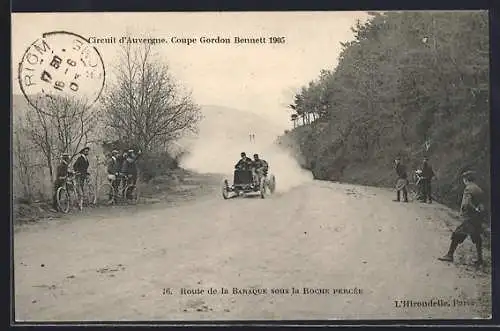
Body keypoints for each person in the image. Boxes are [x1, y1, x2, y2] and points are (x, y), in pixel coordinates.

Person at [438, 171, 486, 267]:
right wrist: (479, 212)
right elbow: (482, 205)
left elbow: (466, 203)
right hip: (477, 218)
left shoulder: (468, 188)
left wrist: (472, 209)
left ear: (466, 179)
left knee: (457, 234)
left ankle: (449, 255)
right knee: (477, 237)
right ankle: (480, 259)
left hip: (468, 218)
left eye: (463, 179)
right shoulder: (479, 189)